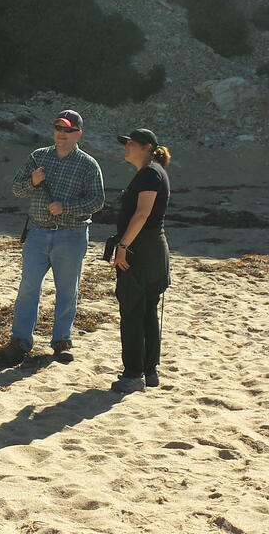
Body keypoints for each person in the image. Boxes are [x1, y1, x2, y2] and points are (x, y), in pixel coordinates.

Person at [0, 109, 105, 364]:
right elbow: (17, 189)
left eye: (68, 130)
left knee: (67, 291)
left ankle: (61, 342)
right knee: (28, 289)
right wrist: (33, 182)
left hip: (72, 235)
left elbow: (97, 201)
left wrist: (65, 207)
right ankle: (20, 341)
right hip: (37, 233)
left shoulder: (88, 164)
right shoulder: (38, 157)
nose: (62, 134)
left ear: (78, 134)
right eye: (58, 128)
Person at [109, 128, 172, 393]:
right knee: (146, 311)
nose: (126, 146)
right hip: (151, 250)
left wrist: (123, 246)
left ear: (146, 147)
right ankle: (149, 371)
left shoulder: (150, 173)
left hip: (143, 251)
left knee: (133, 311)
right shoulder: (153, 171)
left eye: (131, 143)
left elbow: (143, 214)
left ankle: (134, 374)